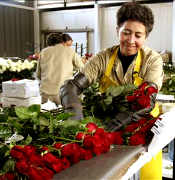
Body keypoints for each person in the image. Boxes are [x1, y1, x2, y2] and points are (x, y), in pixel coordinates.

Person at [60, 2, 164, 131]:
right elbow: (71, 86)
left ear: (145, 37)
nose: (131, 40)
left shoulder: (152, 60)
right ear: (117, 31)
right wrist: (74, 113)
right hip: (106, 125)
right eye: (126, 33)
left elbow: (148, 100)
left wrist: (115, 124)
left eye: (138, 35)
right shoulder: (103, 57)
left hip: (140, 128)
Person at [36, 33, 84, 105]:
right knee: (65, 115)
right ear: (62, 42)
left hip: (46, 93)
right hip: (64, 92)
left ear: (48, 44)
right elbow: (82, 68)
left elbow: (38, 74)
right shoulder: (70, 51)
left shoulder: (43, 52)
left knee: (46, 115)